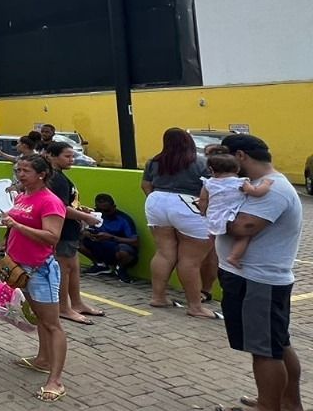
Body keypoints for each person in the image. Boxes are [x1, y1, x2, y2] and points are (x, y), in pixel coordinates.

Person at [212, 134, 307, 411]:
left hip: (257, 280)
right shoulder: (259, 186)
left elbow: (244, 226)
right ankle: (288, 403)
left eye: (226, 156)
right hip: (256, 278)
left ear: (240, 156)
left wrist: (213, 214)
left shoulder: (273, 189)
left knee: (264, 349)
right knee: (277, 343)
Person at [1, 154, 68, 401]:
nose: (20, 175)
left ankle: (56, 380)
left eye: (26, 171)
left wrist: (18, 226)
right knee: (39, 317)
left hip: (40, 269)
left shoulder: (50, 202)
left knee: (52, 324)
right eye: (18, 170)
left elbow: (52, 237)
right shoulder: (23, 196)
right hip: (19, 267)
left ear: (42, 174)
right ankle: (42, 359)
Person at [143, 128, 217, 318]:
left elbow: (146, 185)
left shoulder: (154, 161)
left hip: (157, 201)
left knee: (164, 252)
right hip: (188, 203)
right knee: (190, 260)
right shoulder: (200, 162)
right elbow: (210, 188)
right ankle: (195, 306)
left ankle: (158, 297)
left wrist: (156, 199)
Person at [44, 140, 105, 325]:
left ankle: (77, 303)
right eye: (67, 156)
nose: (71, 160)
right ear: (52, 156)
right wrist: (86, 217)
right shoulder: (56, 179)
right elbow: (61, 208)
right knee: (64, 270)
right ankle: (64, 307)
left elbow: (67, 204)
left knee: (73, 268)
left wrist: (80, 210)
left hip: (69, 230)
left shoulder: (59, 177)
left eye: (72, 156)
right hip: (62, 230)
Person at [199, 152, 274, 268]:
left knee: (213, 237)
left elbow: (203, 200)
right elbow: (256, 192)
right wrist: (266, 183)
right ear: (238, 169)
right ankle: (234, 257)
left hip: (214, 218)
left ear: (211, 170)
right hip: (231, 218)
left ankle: (215, 255)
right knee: (243, 236)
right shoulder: (240, 182)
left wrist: (203, 212)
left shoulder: (208, 183)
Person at [80, 194, 139, 281]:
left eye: (106, 210)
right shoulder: (95, 215)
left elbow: (135, 242)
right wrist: (86, 232)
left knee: (124, 251)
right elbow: (85, 229)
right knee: (76, 241)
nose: (103, 213)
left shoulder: (123, 219)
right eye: (99, 210)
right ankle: (100, 265)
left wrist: (111, 237)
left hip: (116, 248)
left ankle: (120, 269)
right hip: (100, 247)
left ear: (114, 207)